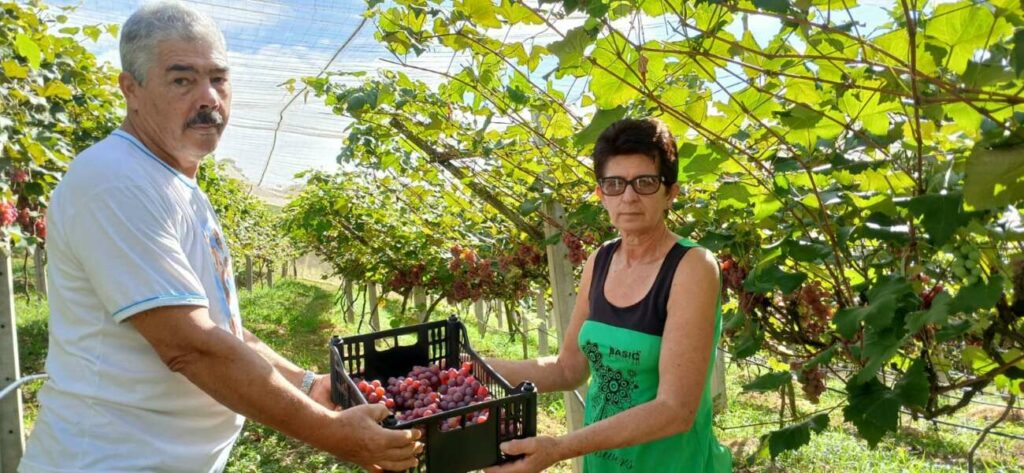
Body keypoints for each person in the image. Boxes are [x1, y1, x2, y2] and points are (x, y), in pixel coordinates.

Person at [18, 2, 420, 472]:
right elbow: (190, 345)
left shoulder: (180, 187)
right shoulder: (114, 179)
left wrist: (306, 382)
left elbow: (220, 328)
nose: (208, 97)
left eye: (219, 78)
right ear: (131, 89)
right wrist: (332, 433)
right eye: (182, 79)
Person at [485, 118, 733, 472]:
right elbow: (568, 368)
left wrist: (559, 448)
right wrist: (475, 368)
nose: (628, 196)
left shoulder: (691, 267)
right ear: (601, 193)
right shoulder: (600, 260)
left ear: (670, 193)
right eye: (615, 184)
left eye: (645, 183)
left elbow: (675, 410)